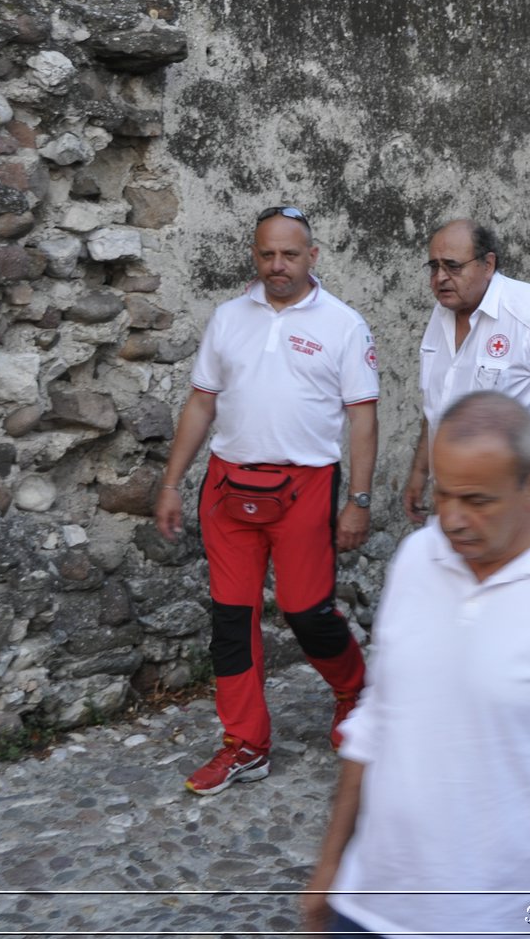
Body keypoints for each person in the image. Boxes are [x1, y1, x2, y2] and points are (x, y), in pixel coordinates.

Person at [302, 392, 530, 937]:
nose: (452, 520)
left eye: (477, 500)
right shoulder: (418, 559)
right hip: (369, 908)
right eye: (443, 494)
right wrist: (330, 868)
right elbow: (377, 720)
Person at [154, 206, 375, 795]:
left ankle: (353, 689)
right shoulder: (228, 318)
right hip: (228, 487)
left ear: (313, 256)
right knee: (232, 618)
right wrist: (173, 482)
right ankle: (245, 743)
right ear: (255, 255)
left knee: (306, 612)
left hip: (305, 486)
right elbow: (201, 403)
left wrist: (358, 498)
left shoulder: (344, 325)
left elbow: (362, 417)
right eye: (266, 254)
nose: (277, 266)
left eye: (290, 255)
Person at [404, 219, 530, 524]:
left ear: (488, 264)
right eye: (433, 267)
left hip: (513, 508)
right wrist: (420, 473)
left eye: (452, 266)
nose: (440, 278)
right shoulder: (441, 315)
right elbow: (437, 405)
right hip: (451, 501)